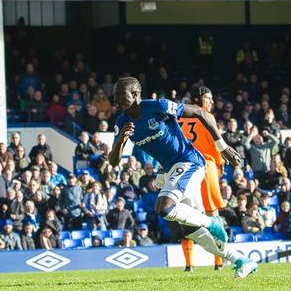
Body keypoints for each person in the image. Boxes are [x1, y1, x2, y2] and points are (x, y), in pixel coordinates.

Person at [109, 77, 257, 278]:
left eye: (120, 94)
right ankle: (241, 260)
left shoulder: (158, 106)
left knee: (164, 207)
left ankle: (212, 222)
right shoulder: (122, 121)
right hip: (171, 169)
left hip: (189, 161)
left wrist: (222, 147)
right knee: (190, 230)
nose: (116, 99)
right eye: (115, 94)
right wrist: (120, 141)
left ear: (135, 94)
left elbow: (199, 112)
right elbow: (114, 161)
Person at [178, 86, 227, 270]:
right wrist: (220, 165)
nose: (211, 102)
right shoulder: (207, 117)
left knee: (185, 215)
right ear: (198, 100)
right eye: (208, 98)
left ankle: (189, 264)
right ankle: (219, 262)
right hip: (206, 167)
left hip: (184, 169)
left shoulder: (179, 117)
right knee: (212, 214)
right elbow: (216, 146)